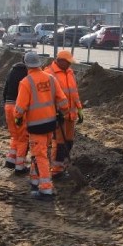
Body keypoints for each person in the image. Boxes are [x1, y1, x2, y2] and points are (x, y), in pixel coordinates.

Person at [14, 51, 69, 200]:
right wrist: (63, 113)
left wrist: (17, 118)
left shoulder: (26, 82)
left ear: (26, 65)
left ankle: (46, 189)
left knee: (40, 155)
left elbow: (20, 108)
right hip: (50, 124)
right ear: (39, 63)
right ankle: (35, 179)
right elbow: (63, 101)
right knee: (41, 151)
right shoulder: (51, 78)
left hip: (36, 126)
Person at [44, 49, 83, 178]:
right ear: (60, 61)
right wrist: (53, 112)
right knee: (59, 143)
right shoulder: (49, 73)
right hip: (59, 115)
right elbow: (46, 97)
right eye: (68, 62)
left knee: (69, 142)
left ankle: (64, 166)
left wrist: (79, 108)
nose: (70, 65)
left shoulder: (70, 72)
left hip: (70, 115)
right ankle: (56, 170)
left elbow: (74, 92)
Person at [2, 55, 30, 174]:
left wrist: (5, 103)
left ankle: (10, 160)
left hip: (8, 106)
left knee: (15, 136)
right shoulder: (27, 74)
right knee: (23, 138)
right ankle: (20, 167)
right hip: (19, 108)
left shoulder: (12, 70)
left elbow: (5, 88)